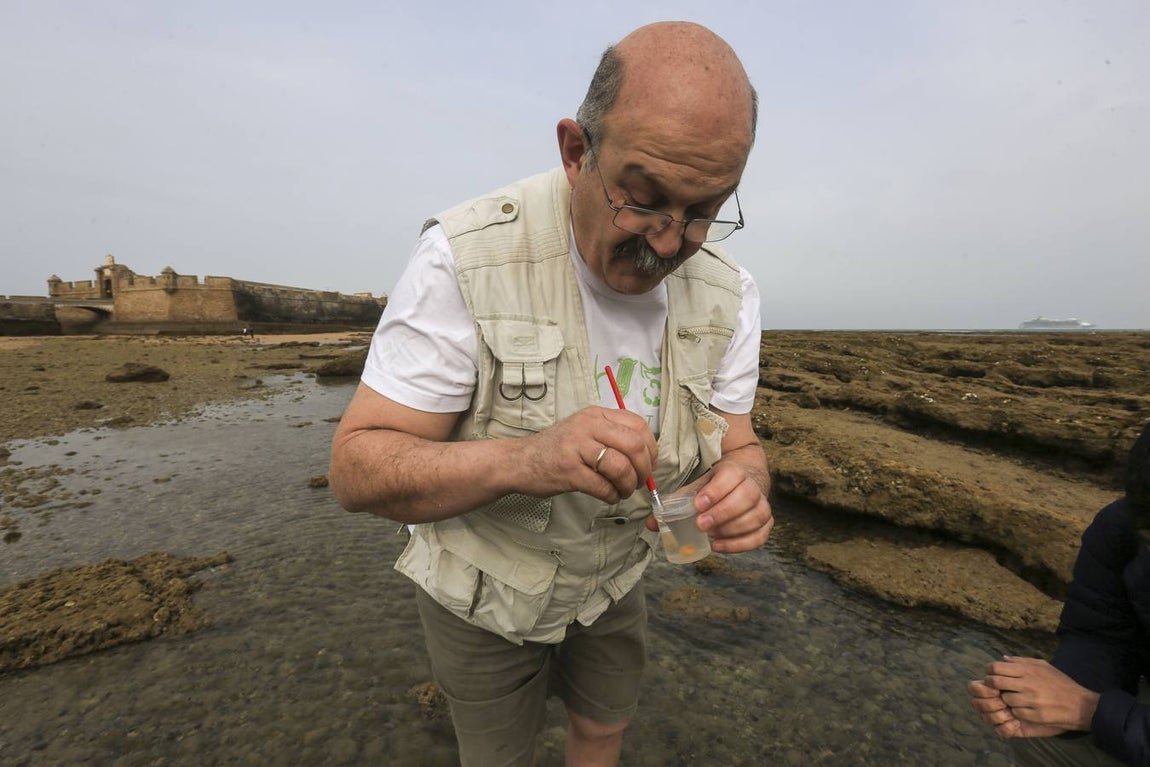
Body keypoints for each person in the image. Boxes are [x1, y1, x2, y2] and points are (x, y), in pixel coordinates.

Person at [329, 21, 773, 767]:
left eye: (703, 212)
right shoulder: (465, 259)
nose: (669, 243)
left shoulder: (731, 294)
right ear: (575, 151)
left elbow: (741, 441)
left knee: (603, 726)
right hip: (482, 591)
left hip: (616, 581)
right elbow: (356, 469)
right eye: (643, 199)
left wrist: (748, 483)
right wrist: (526, 459)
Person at [968, 421, 1150, 766]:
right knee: (1038, 735)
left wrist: (1088, 710)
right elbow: (1101, 635)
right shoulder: (1121, 528)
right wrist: (1049, 699)